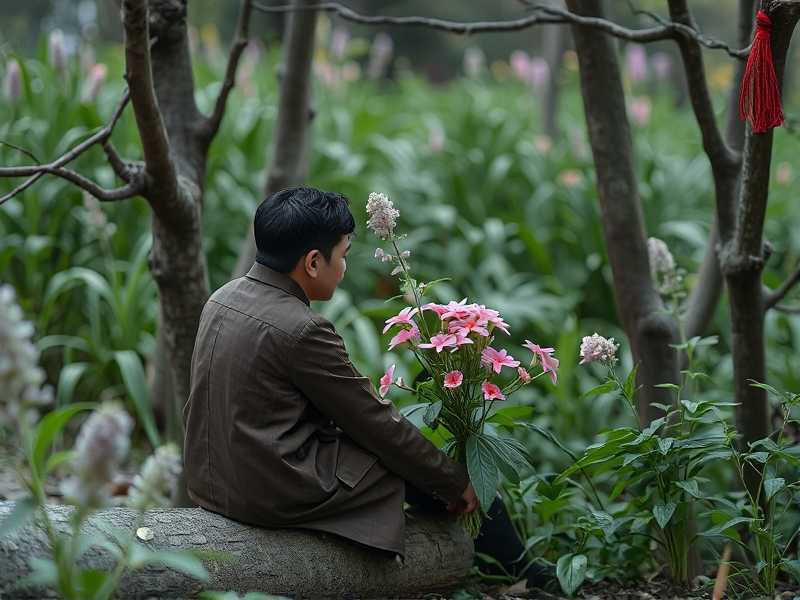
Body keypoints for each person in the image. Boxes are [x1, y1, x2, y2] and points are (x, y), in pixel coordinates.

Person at [182, 186, 552, 587]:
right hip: (268, 492)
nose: (344, 268)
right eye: (342, 256)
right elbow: (374, 422)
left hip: (211, 481)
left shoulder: (223, 297)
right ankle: (521, 570)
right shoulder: (303, 330)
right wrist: (454, 479)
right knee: (402, 462)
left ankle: (501, 559)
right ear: (311, 262)